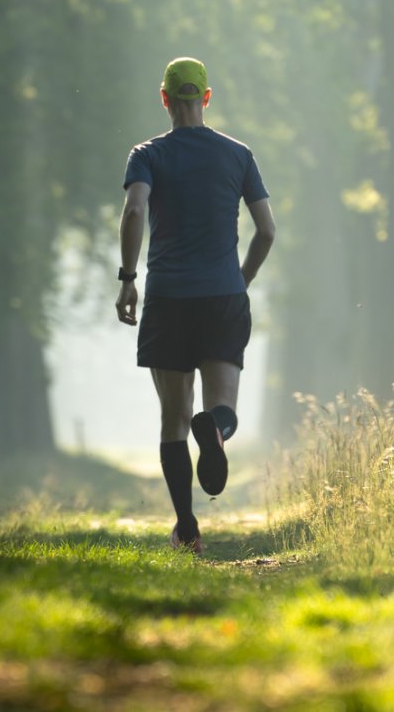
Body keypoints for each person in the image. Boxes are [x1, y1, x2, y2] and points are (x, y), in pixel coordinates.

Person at [115, 56, 277, 553]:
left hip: (168, 299)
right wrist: (240, 279)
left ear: (164, 99)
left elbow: (135, 207)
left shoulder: (147, 154)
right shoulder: (238, 154)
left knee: (174, 418)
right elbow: (267, 231)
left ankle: (186, 528)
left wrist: (127, 278)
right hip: (222, 296)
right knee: (221, 406)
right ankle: (218, 429)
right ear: (206, 98)